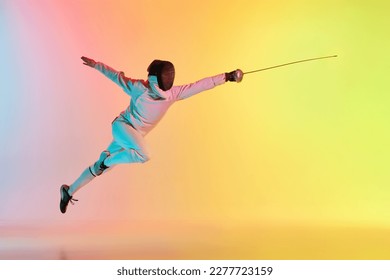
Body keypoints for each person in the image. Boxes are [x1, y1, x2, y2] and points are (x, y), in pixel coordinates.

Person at [59, 56, 243, 213]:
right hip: (122, 127)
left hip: (133, 136)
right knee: (143, 155)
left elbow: (200, 85)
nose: (146, 80)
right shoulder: (140, 88)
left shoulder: (173, 93)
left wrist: (227, 77)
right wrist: (96, 65)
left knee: (100, 169)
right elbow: (116, 77)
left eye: (150, 77)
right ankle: (105, 159)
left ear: (156, 79)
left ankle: (69, 190)